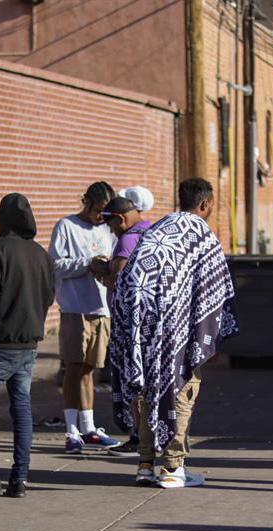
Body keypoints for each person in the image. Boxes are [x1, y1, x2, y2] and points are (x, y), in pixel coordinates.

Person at [110, 178, 238, 488]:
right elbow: (213, 291)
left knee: (146, 390)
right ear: (205, 204)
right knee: (180, 390)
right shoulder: (200, 236)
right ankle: (172, 468)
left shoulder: (157, 230)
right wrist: (208, 338)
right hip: (175, 330)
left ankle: (144, 464)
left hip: (138, 325)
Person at [0, 193, 55, 499]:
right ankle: (20, 478)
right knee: (21, 406)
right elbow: (49, 297)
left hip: (0, 341)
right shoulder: (42, 255)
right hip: (30, 343)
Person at [49, 181, 120, 454]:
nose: (102, 216)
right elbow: (55, 265)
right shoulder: (66, 226)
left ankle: (89, 427)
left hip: (101, 308)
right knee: (73, 368)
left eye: (107, 212)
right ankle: (71, 430)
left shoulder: (108, 229)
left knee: (91, 369)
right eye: (99, 210)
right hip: (75, 308)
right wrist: (88, 263)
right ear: (86, 202)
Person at [98, 195, 152, 458]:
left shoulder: (128, 239)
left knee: (132, 380)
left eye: (111, 225)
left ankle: (138, 437)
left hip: (129, 324)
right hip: (151, 320)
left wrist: (99, 270)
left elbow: (117, 280)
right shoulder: (153, 231)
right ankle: (149, 435)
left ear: (120, 219)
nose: (111, 231)